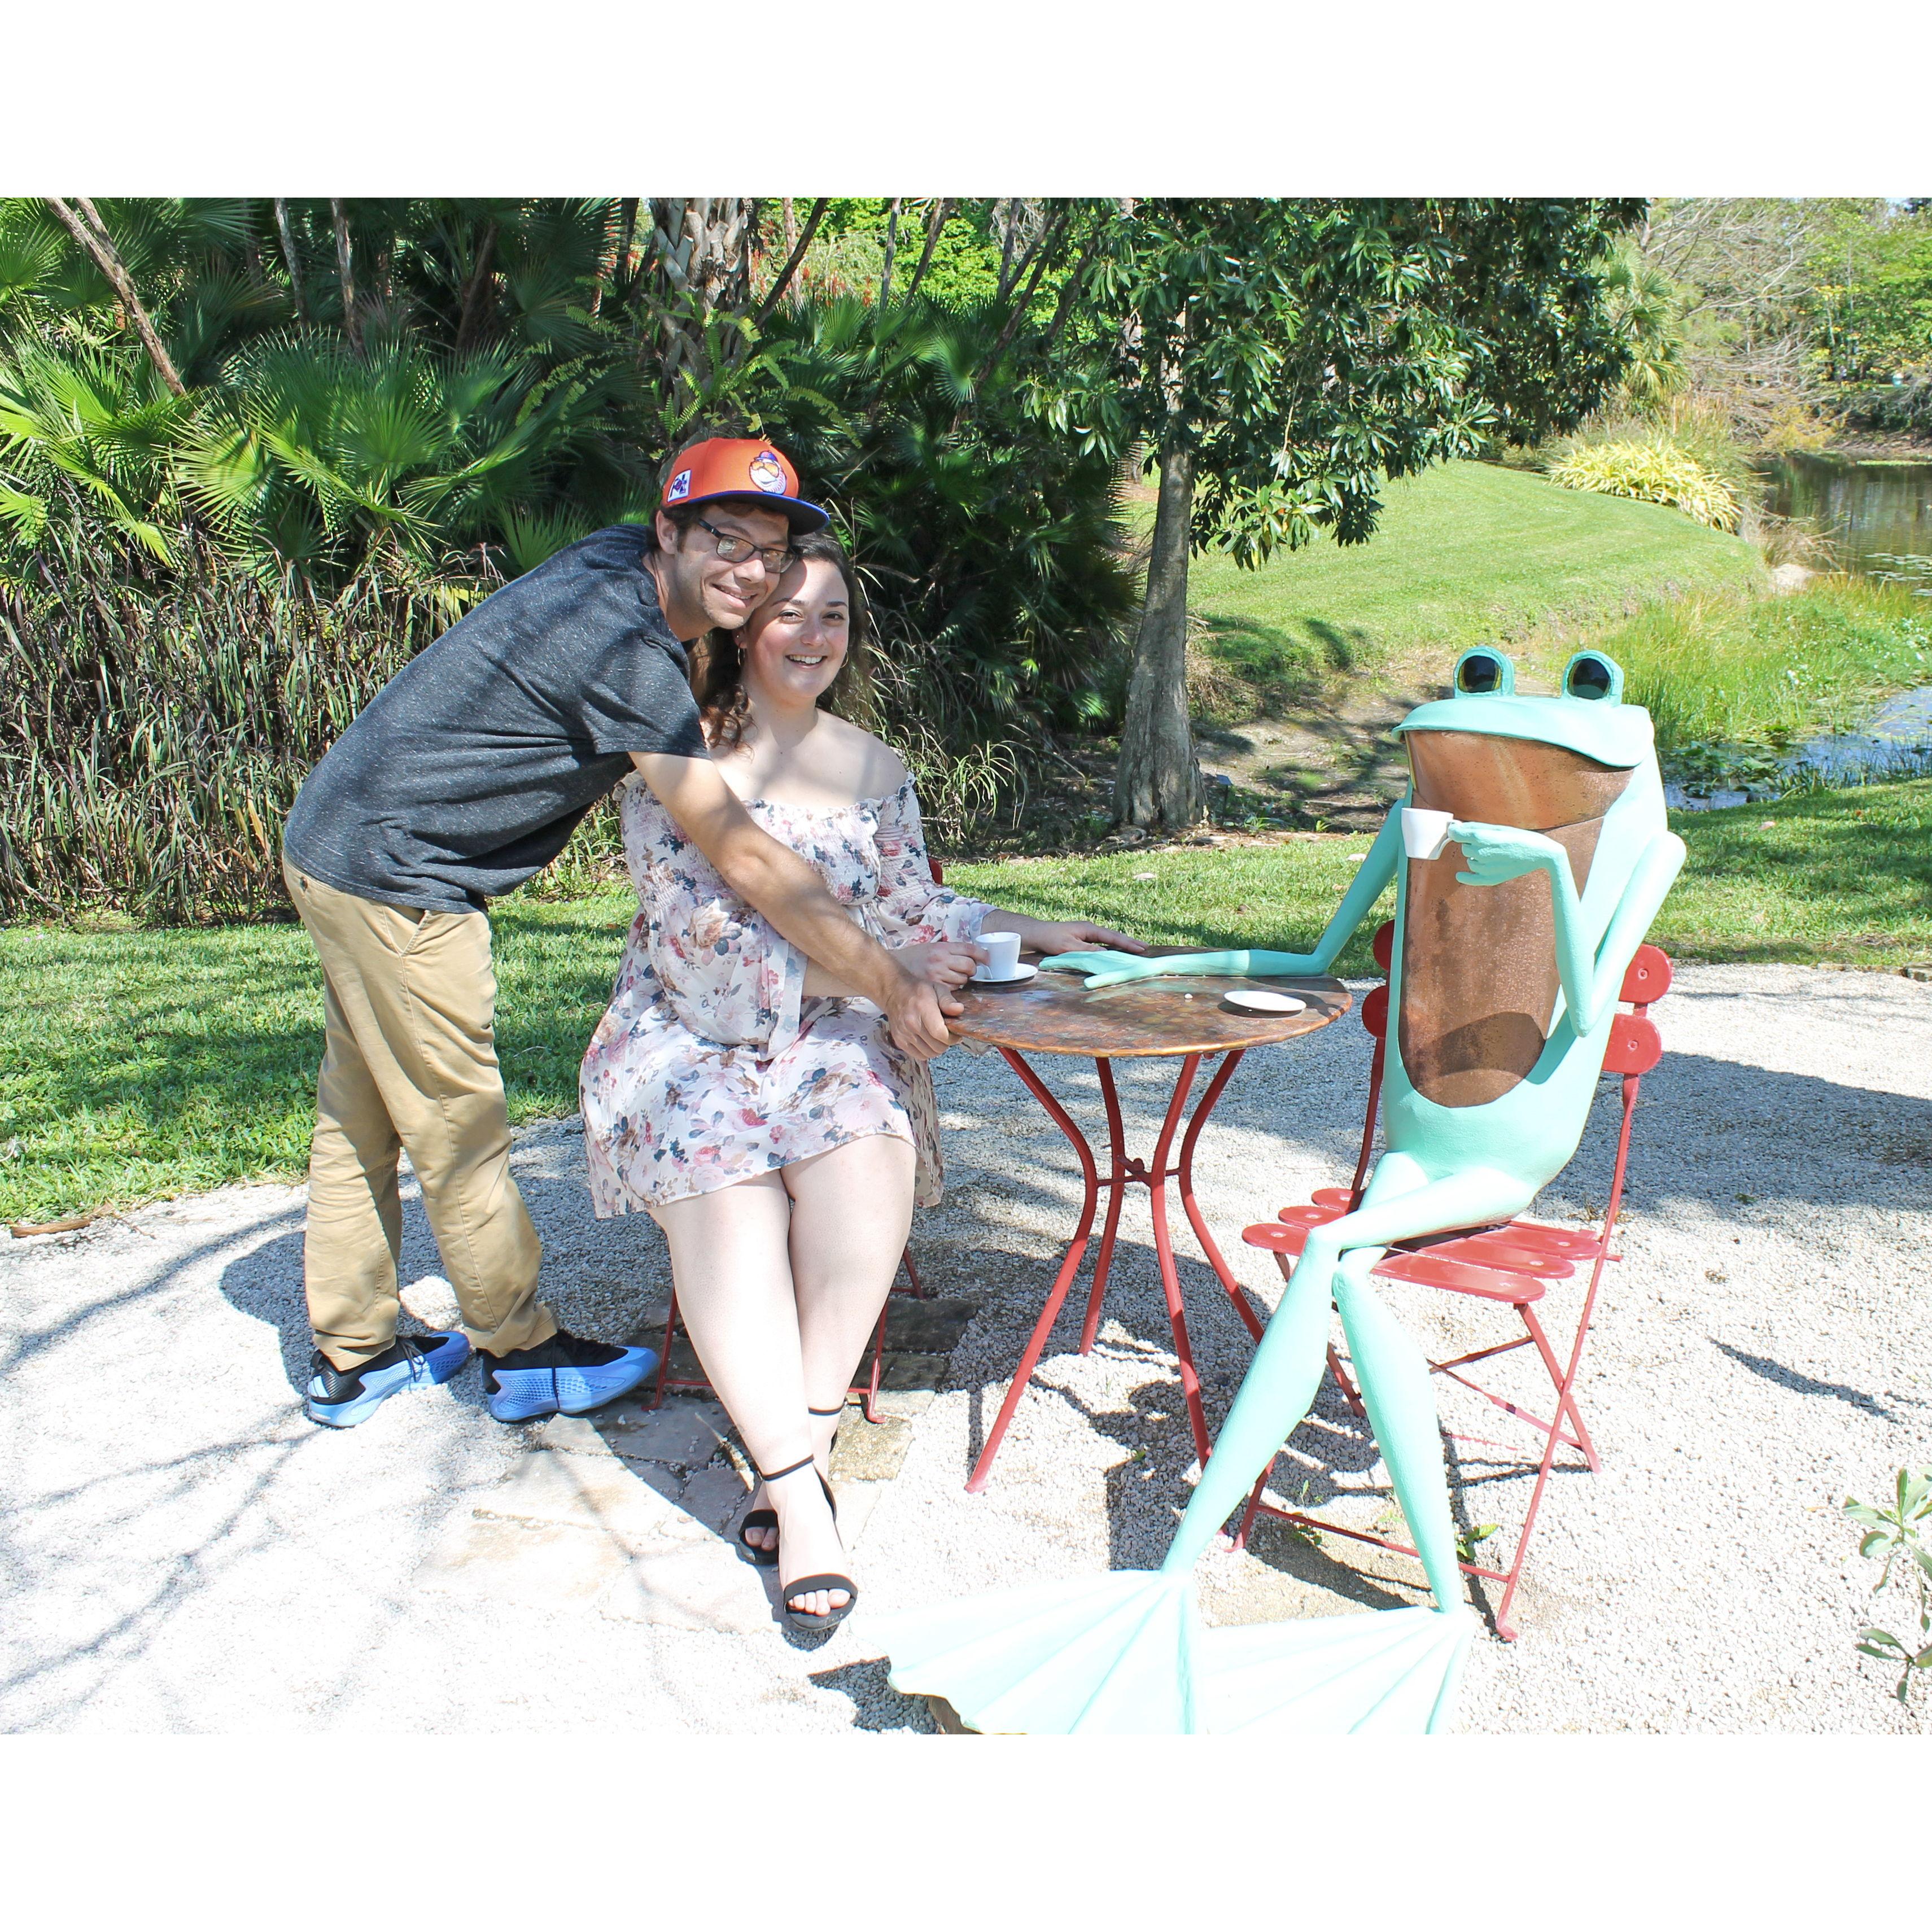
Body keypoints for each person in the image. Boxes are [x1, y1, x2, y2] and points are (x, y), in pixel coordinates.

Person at [280, 432, 959, 1431]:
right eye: (726, 540)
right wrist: (889, 978)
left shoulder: (613, 564)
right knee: (454, 1120)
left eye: (770, 552)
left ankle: (356, 1354)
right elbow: (743, 852)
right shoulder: (627, 654)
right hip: (401, 875)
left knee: (364, 1109)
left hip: (336, 839)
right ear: (669, 531)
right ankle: (519, 1352)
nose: (750, 571)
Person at [579, 530, 1146, 1631]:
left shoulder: (872, 766)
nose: (812, 635)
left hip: (835, 1027)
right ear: (744, 629)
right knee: (726, 1194)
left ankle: (795, 1446)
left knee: (862, 1155)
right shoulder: (681, 753)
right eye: (788, 613)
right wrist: (879, 979)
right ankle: (803, 1495)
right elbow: (696, 937)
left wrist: (1031, 927)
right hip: (692, 1032)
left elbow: (910, 908)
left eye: (832, 614)